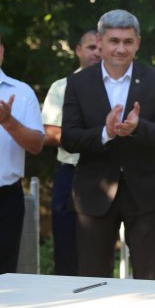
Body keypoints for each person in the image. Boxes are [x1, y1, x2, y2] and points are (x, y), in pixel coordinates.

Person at [61, 10, 155, 280]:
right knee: (92, 277)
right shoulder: (77, 83)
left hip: (146, 193)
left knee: (150, 279)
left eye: (127, 41)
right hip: (94, 193)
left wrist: (138, 128)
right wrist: (105, 132)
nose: (121, 49)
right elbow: (69, 138)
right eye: (114, 41)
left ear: (138, 43)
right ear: (100, 42)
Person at [0, 19, 44, 278]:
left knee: (2, 278)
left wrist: (9, 122)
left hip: (4, 200)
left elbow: (37, 146)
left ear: (2, 51)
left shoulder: (21, 92)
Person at [41, 29, 101, 276]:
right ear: (78, 50)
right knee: (66, 252)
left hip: (106, 176)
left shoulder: (119, 87)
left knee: (100, 253)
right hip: (72, 174)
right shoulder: (61, 87)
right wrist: (94, 138)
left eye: (100, 47)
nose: (97, 53)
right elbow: (50, 134)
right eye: (90, 47)